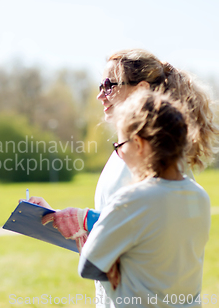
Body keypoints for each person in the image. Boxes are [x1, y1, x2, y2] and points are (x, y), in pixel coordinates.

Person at [29, 49, 218, 307]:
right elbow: (129, 226)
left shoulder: (147, 161)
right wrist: (69, 218)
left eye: (108, 85)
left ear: (141, 89)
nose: (100, 94)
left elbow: (150, 226)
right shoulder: (144, 159)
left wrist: (84, 221)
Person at [78, 89, 210, 307]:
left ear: (138, 144)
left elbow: (89, 265)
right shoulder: (200, 197)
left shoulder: (132, 199)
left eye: (120, 146)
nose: (120, 155)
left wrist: (117, 264)